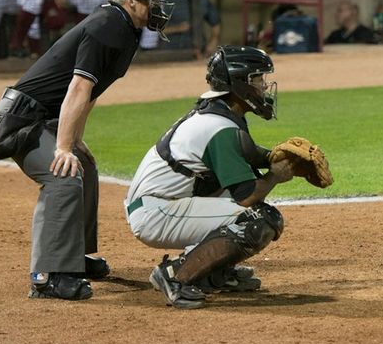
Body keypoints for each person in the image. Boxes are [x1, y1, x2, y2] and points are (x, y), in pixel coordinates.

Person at [0, 0, 172, 301]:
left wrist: (74, 141)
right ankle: (48, 276)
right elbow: (78, 86)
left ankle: (75, 257)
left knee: (83, 164)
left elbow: (91, 92)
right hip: (21, 119)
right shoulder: (108, 25)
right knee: (63, 174)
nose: (157, 6)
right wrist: (61, 147)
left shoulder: (124, 27)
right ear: (130, 1)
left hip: (42, 117)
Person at [122, 46, 292, 309]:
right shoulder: (219, 127)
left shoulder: (220, 112)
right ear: (240, 84)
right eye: (258, 80)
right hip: (158, 212)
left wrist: (274, 157)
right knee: (256, 221)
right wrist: (275, 176)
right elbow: (246, 195)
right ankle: (176, 275)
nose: (264, 86)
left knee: (253, 211)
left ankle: (213, 272)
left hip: (165, 202)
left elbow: (247, 152)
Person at [157, 0, 221, 58]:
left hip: (197, 53)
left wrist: (212, 42)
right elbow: (155, 30)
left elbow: (216, 24)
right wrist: (178, 28)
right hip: (171, 52)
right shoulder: (167, 0)